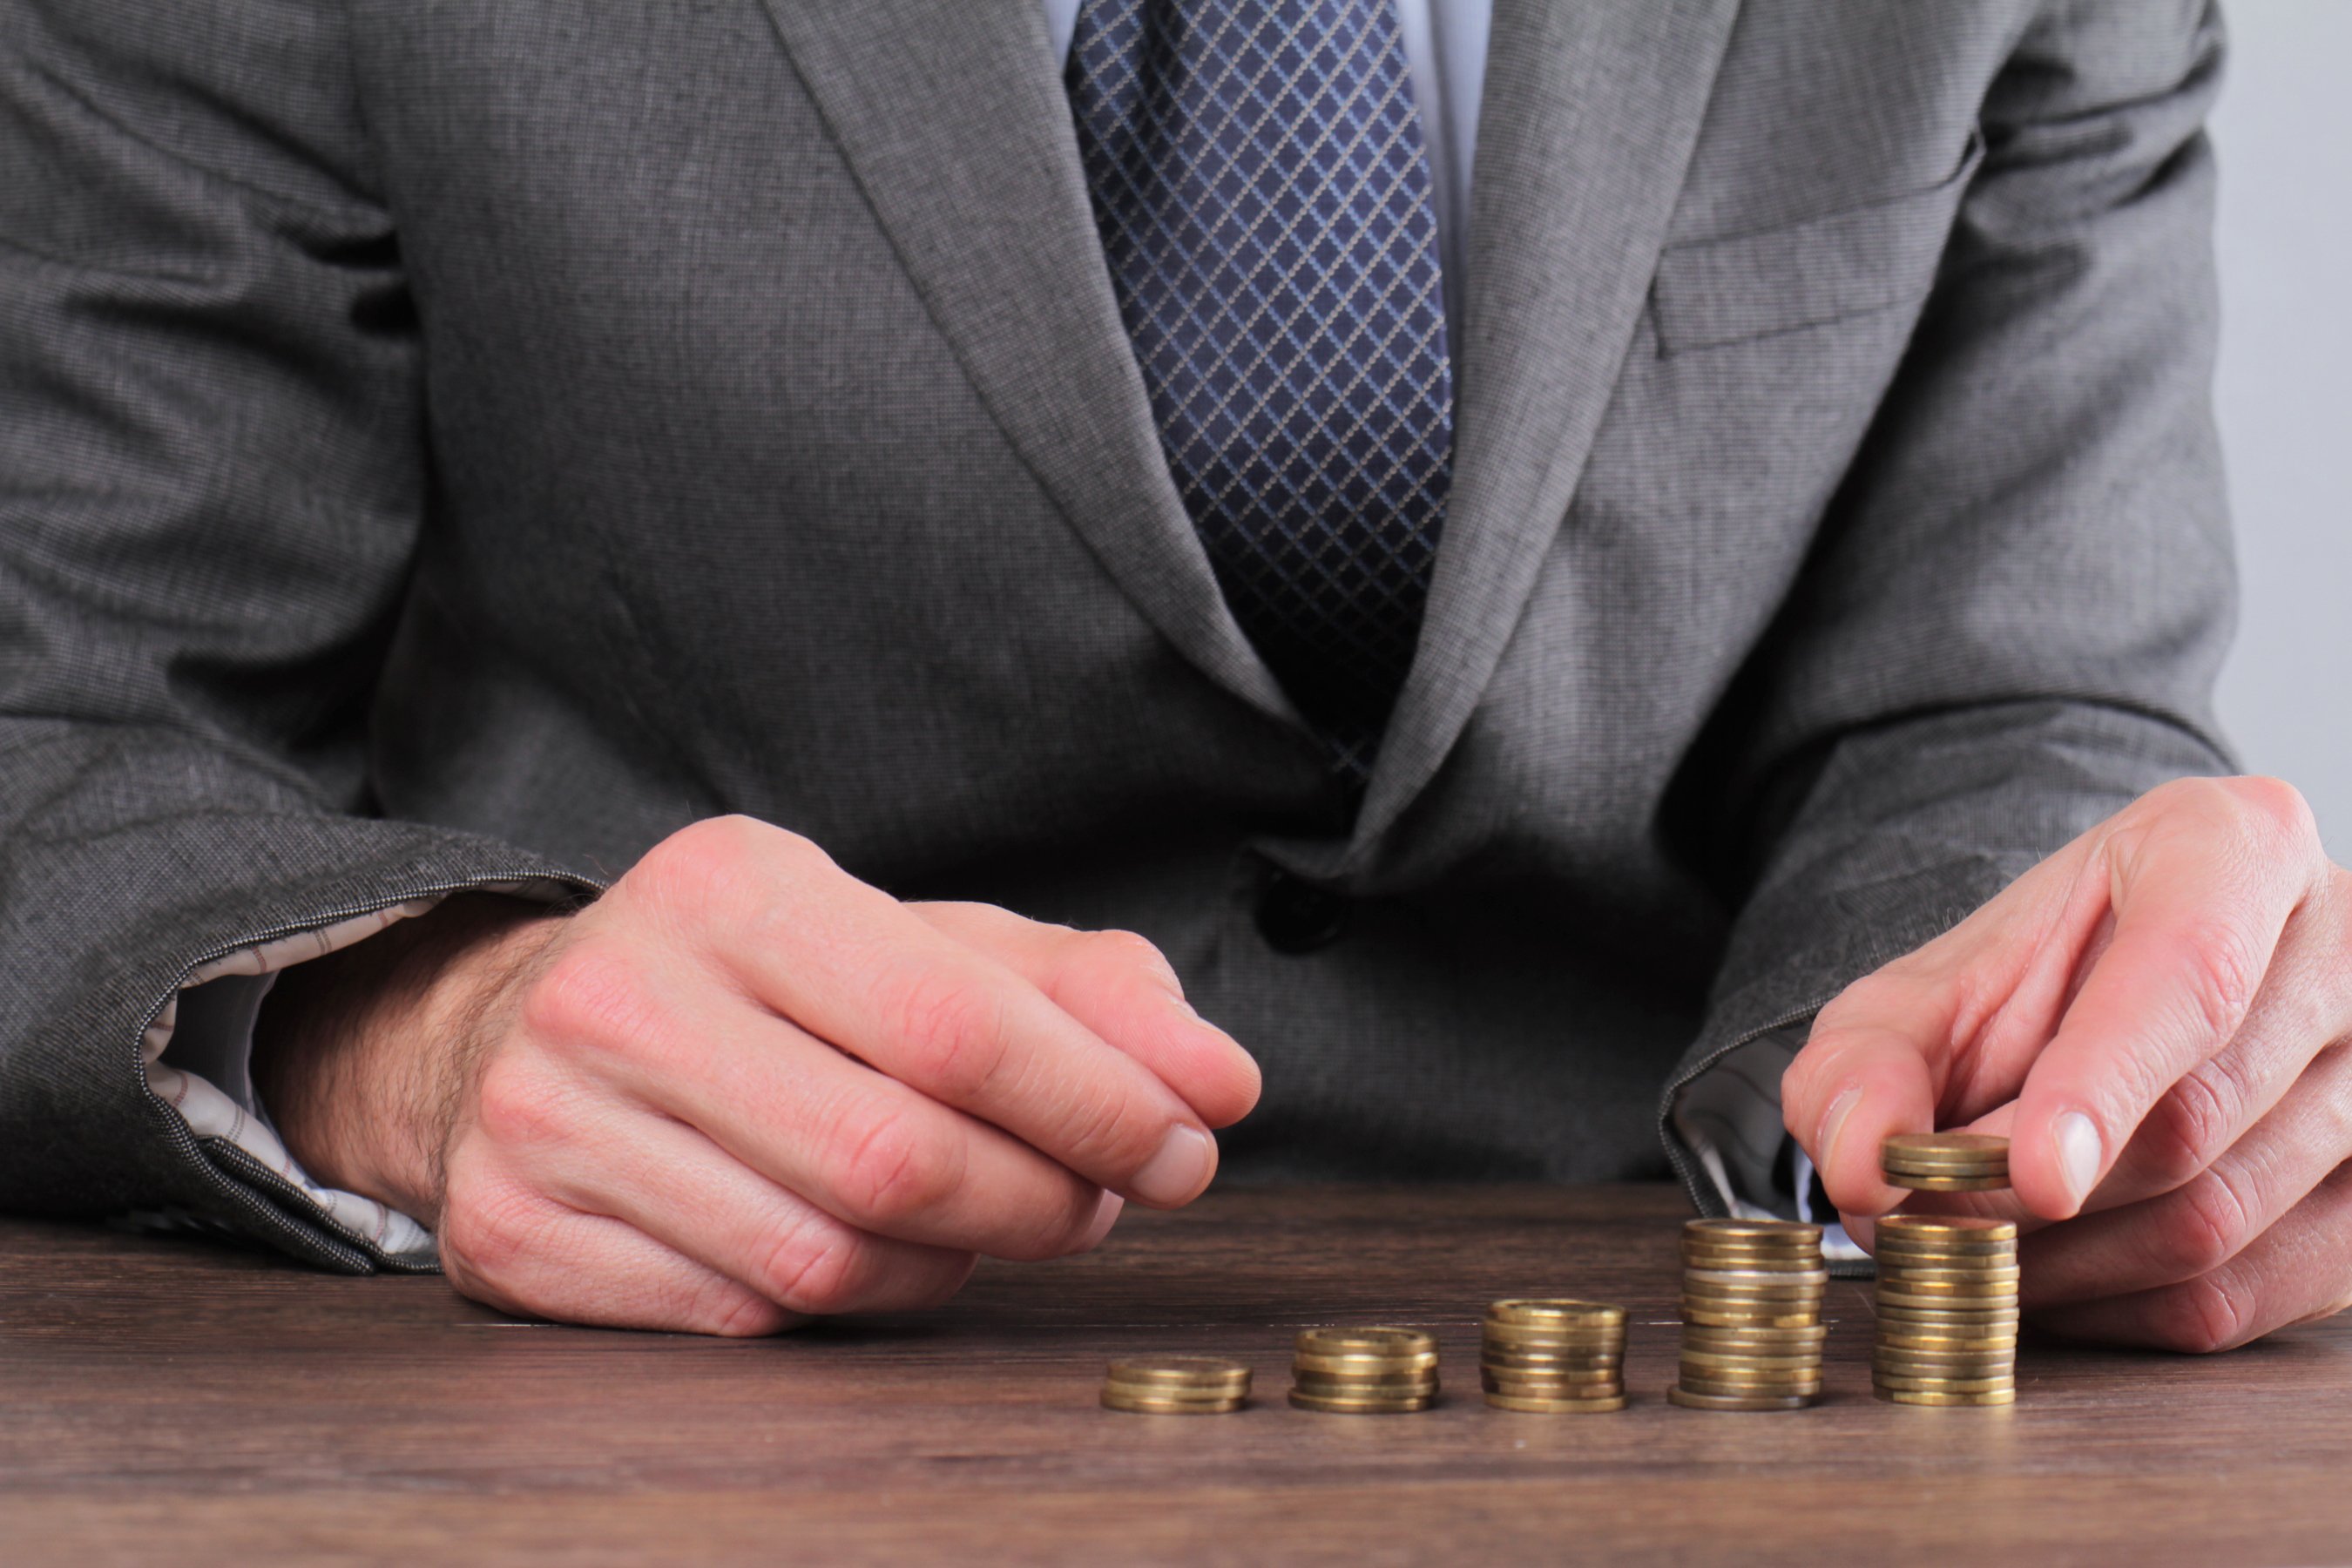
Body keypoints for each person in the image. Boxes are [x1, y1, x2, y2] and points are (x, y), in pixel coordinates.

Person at [2, 0, 2342, 1350]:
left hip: (1690, 1370)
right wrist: (425, 1035)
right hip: (661, 1370)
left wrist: (2049, 1059)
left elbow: (1996, 701)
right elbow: (55, 726)